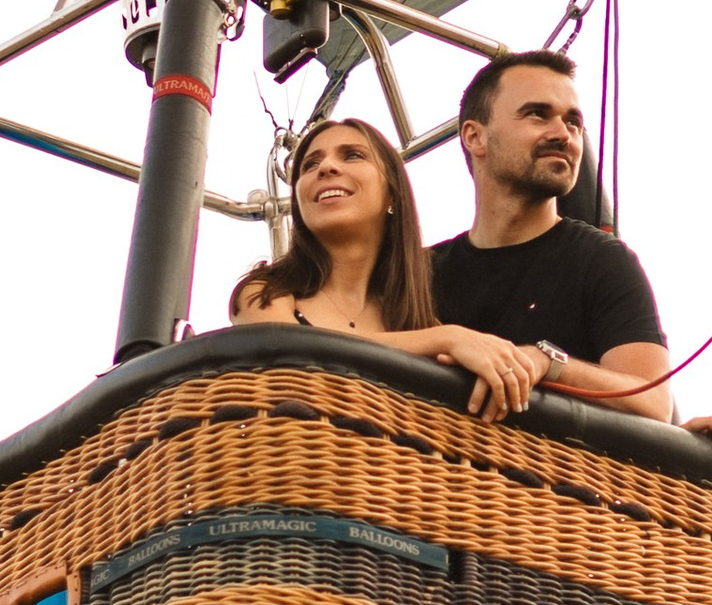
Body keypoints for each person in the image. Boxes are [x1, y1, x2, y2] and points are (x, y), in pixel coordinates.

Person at [429, 50, 712, 458]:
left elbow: (651, 401)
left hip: (554, 501)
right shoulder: (424, 271)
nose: (563, 133)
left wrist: (546, 362)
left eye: (573, 121)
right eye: (537, 115)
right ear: (475, 137)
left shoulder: (602, 260)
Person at [228, 114, 544, 422]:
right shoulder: (266, 291)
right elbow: (289, 353)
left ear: (392, 193)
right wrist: (446, 339)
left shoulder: (415, 319)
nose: (326, 168)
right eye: (310, 164)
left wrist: (541, 360)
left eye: (352, 155)